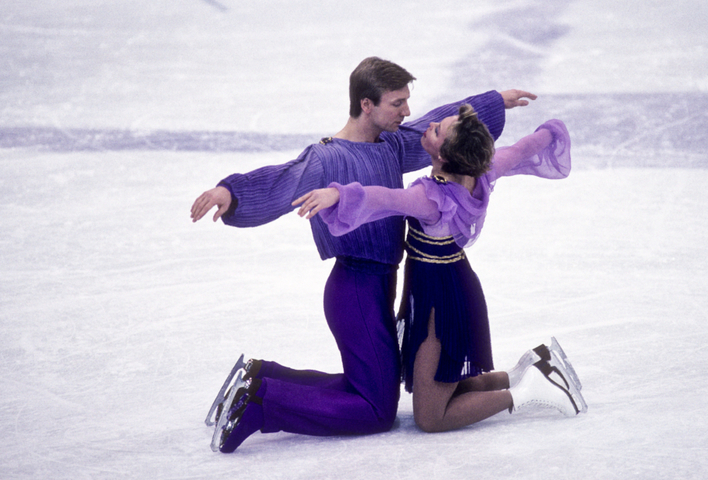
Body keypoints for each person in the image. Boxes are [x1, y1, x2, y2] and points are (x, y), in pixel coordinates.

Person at [190, 56, 537, 452]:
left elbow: (438, 128)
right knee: (375, 409)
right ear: (366, 104)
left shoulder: (389, 144)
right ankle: (261, 403)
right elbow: (281, 179)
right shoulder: (327, 158)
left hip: (379, 286)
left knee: (371, 386)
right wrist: (231, 193)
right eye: (397, 103)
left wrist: (492, 103)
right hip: (354, 288)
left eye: (407, 101)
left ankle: (261, 376)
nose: (406, 112)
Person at [293, 103, 586, 433]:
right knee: (438, 385)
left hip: (440, 300)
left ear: (445, 154)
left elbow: (384, 199)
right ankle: (523, 372)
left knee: (431, 418)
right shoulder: (484, 170)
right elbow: (521, 150)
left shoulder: (431, 198)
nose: (429, 125)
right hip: (455, 283)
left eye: (436, 130)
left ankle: (529, 391)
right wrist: (549, 132)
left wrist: (337, 195)